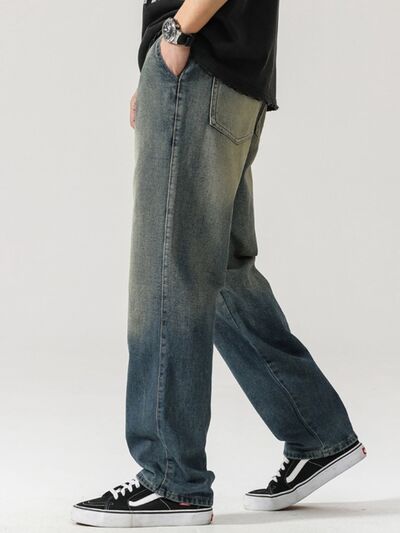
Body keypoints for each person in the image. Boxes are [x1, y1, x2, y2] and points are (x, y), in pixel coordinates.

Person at [72, 0, 366, 527]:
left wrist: (176, 34)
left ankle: (172, 480)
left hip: (198, 60)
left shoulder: (187, 43)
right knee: (224, 274)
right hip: (229, 77)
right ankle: (317, 431)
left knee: (170, 271)